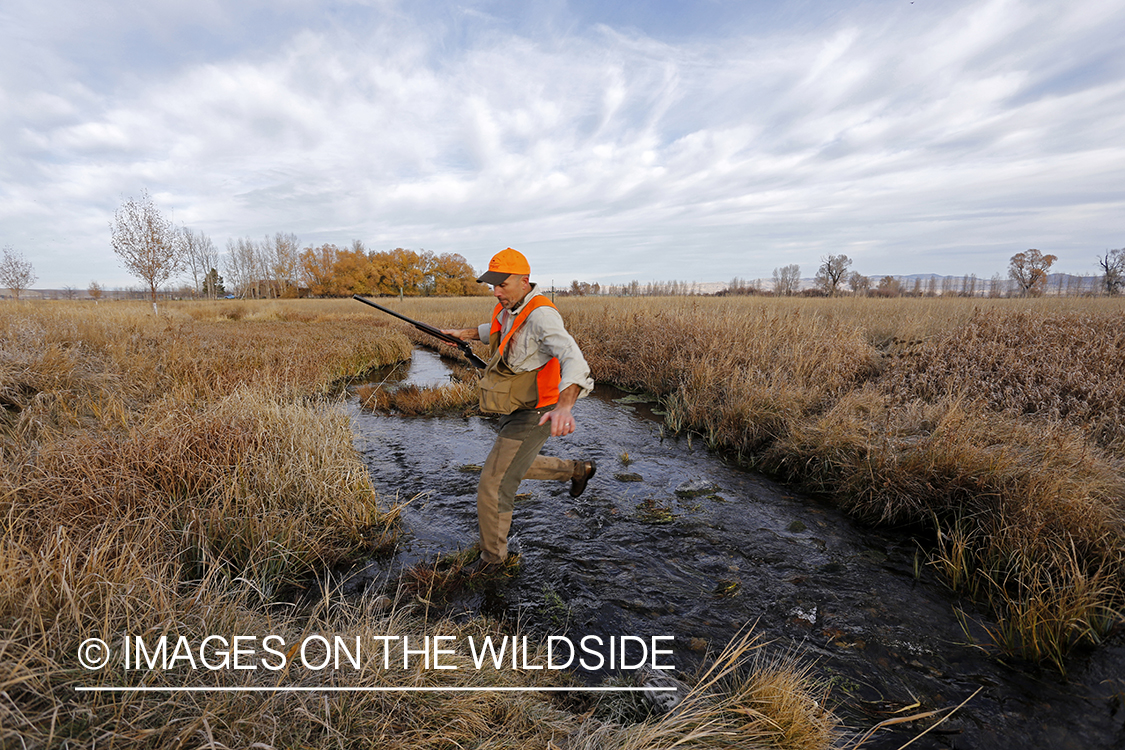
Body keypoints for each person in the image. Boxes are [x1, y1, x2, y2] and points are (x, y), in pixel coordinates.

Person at [442, 248, 597, 573]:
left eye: (503, 284)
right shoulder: (508, 308)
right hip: (518, 403)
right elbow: (498, 329)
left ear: (524, 281)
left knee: (494, 482)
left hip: (540, 409)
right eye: (492, 285)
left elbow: (574, 360)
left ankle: (494, 560)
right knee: (515, 465)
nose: (496, 291)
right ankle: (577, 470)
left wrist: (565, 407)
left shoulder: (542, 315)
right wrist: (465, 334)